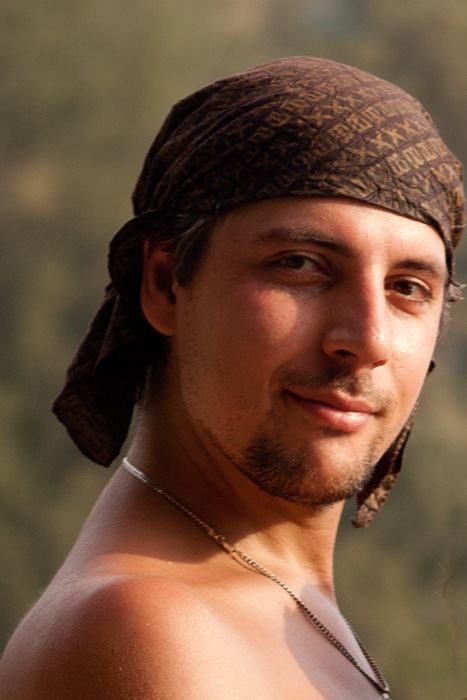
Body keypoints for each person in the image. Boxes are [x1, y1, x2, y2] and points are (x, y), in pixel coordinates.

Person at [0, 56, 464, 700]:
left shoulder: (278, 609)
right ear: (165, 283)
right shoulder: (150, 630)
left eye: (408, 288)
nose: (368, 340)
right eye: (300, 264)